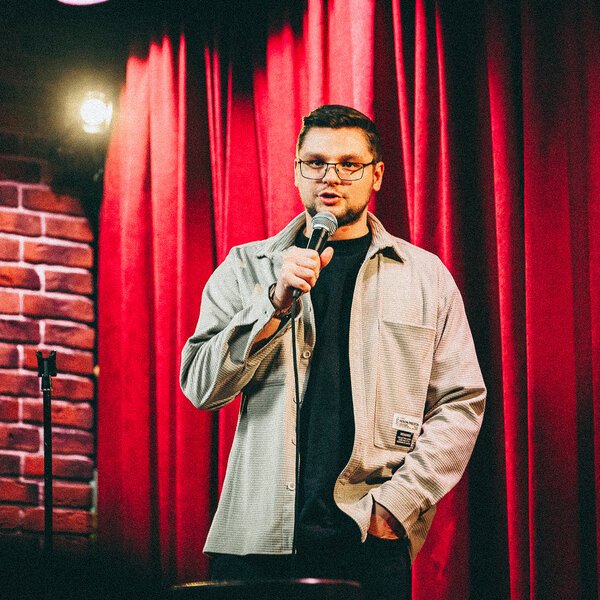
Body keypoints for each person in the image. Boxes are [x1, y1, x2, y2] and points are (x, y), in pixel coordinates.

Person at [180, 105, 486, 600]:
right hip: (258, 538)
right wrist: (272, 304)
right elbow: (200, 385)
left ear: (376, 175)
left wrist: (396, 506)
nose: (331, 177)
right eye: (316, 162)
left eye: (349, 164)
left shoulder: (424, 277)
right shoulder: (246, 266)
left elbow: (461, 402)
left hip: (366, 538)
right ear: (296, 170)